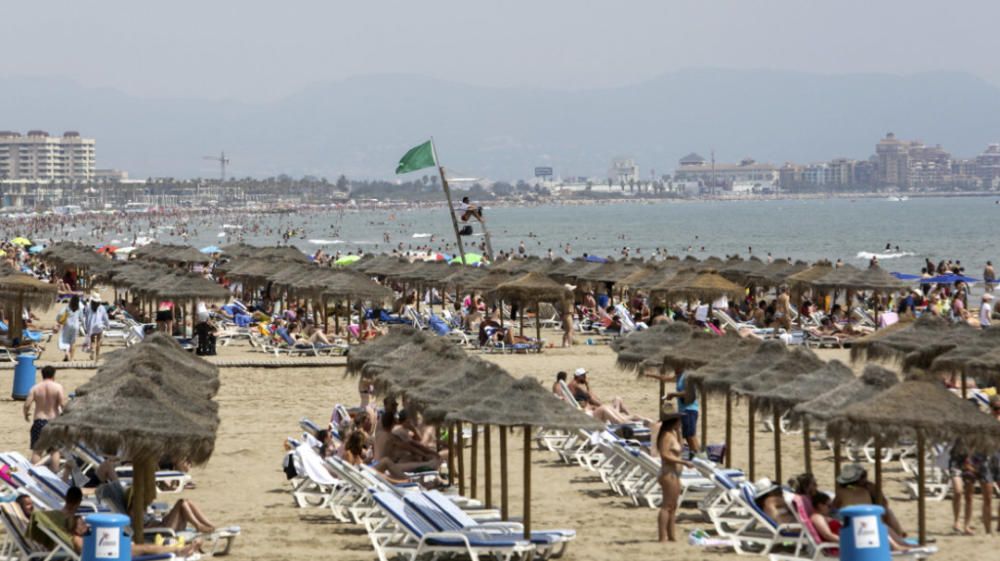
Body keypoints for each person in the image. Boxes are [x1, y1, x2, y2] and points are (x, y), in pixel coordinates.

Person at [833, 463, 907, 540]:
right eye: (864, 476)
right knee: (887, 512)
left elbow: (834, 508)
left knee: (885, 513)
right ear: (861, 478)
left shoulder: (841, 492)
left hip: (848, 521)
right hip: (867, 521)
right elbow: (884, 505)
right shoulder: (868, 488)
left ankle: (898, 537)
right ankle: (899, 537)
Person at [656, 403, 693, 542]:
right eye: (679, 420)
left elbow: (681, 448)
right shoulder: (665, 435)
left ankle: (671, 536)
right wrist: (683, 462)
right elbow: (665, 455)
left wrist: (679, 432)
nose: (680, 422)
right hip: (668, 473)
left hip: (674, 474)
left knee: (673, 506)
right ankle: (662, 537)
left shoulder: (672, 433)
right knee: (667, 506)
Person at [24, 366, 67, 469]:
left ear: (42, 374)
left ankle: (35, 474)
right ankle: (55, 473)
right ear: (53, 375)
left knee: (37, 450)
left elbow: (27, 404)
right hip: (53, 422)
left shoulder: (35, 388)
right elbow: (62, 404)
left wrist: (26, 414)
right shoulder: (57, 387)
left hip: (39, 421)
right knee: (55, 451)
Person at [82, 292, 110, 361]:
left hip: (92, 326)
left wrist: (86, 326)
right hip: (99, 325)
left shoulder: (88, 307)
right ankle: (97, 356)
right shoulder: (102, 307)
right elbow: (105, 317)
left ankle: (92, 351)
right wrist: (107, 325)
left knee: (92, 341)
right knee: (98, 341)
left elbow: (86, 317)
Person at [55, 295, 82, 362]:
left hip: (67, 325)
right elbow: (81, 318)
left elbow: (60, 315)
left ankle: (67, 353)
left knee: (65, 340)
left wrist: (58, 321)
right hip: (75, 326)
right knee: (73, 342)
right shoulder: (79, 308)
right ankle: (72, 358)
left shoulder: (67, 307)